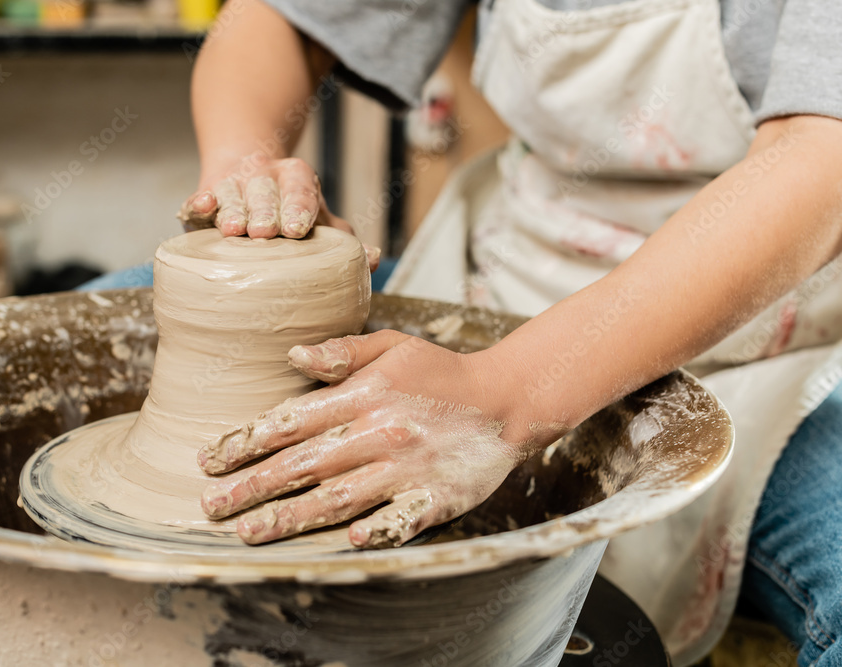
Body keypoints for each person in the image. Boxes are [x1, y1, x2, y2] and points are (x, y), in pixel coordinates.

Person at [84, 1, 842, 664]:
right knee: (103, 311)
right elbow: (277, 20)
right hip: (511, 270)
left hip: (772, 332)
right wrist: (245, 160)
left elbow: (819, 162)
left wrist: (501, 396)